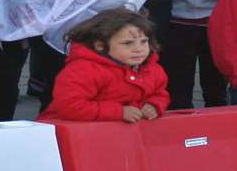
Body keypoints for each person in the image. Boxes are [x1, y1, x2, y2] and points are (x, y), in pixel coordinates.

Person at [40, 9, 171, 123]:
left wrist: (154, 105)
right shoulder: (84, 70)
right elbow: (70, 106)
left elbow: (159, 93)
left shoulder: (151, 69)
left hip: (114, 135)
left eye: (144, 41)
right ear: (100, 46)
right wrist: (119, 112)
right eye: (127, 43)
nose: (139, 49)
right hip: (63, 135)